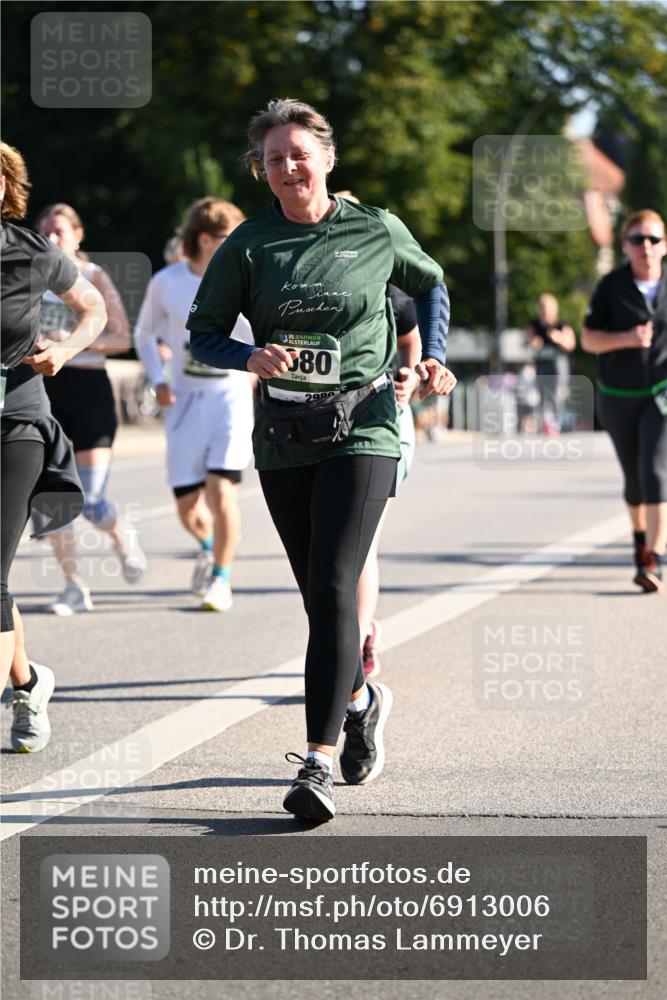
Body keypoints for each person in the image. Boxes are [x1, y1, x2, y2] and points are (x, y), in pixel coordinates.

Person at [186, 98, 455, 822]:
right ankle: (362, 699)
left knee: (336, 585)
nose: (287, 167)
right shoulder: (248, 246)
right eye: (273, 159)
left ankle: (316, 764)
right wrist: (249, 354)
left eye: (298, 154)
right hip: (284, 436)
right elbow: (202, 334)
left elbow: (430, 285)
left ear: (326, 158)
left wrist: (431, 357)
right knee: (318, 596)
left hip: (363, 423)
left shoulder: (374, 228)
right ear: (261, 172)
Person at [1, 142, 106, 750]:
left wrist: (64, 350)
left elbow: (90, 308)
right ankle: (29, 682)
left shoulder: (31, 250)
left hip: (15, 421)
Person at [134, 197, 255, 610]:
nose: (239, 245)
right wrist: (157, 380)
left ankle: (221, 579)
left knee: (222, 493)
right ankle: (208, 546)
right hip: (184, 401)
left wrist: (257, 366)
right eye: (229, 238)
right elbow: (144, 335)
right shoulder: (167, 283)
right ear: (205, 240)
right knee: (187, 505)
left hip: (230, 398)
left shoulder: (245, 281)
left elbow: (264, 333)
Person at [35, 203, 147, 615]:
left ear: (78, 236)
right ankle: (73, 587)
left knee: (91, 498)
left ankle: (121, 534)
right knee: (50, 496)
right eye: (44, 231)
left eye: (60, 231)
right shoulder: (28, 279)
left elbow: (121, 338)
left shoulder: (92, 276)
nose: (51, 239)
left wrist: (72, 340)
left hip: (88, 390)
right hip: (45, 391)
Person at [582, 209, 667, 592]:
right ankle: (639, 542)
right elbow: (588, 340)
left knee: (654, 469)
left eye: (653, 239)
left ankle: (654, 558)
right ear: (625, 246)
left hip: (661, 392)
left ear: (664, 245)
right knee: (634, 478)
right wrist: (626, 339)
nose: (645, 247)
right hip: (618, 394)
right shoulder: (611, 286)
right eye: (637, 240)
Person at [524, 293, 576, 434]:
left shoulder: (561, 325)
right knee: (541, 393)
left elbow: (571, 344)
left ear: (555, 309)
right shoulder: (534, 325)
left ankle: (555, 424)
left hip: (558, 364)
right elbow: (526, 339)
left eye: (547, 308)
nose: (545, 311)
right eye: (542, 308)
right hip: (541, 364)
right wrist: (532, 341)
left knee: (556, 394)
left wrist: (559, 338)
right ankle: (545, 424)